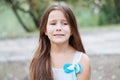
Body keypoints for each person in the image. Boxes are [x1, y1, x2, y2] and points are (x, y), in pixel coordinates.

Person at [29, 2, 91, 80]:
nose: (58, 28)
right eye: (53, 23)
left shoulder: (82, 60)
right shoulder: (37, 61)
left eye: (65, 23)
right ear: (45, 30)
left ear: (72, 30)